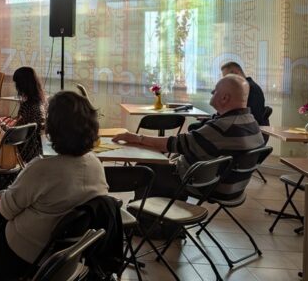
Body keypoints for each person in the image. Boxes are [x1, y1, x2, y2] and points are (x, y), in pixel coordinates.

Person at [0, 91, 109, 280]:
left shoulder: (42, 169)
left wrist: (3, 198)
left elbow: (7, 210)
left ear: (53, 128)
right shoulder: (95, 166)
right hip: (67, 257)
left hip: (25, 255)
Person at [113, 74, 266, 201]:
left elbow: (174, 144)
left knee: (146, 168)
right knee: (164, 165)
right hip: (233, 189)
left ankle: (147, 221)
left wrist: (136, 138)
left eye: (215, 90)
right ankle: (164, 221)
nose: (212, 92)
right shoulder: (251, 122)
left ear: (225, 98)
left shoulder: (223, 127)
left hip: (207, 185)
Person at [0, 66, 46, 163]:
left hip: (22, 150)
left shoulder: (27, 106)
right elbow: (26, 126)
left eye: (16, 84)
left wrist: (1, 124)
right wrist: (14, 122)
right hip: (35, 149)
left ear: (22, 85)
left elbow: (15, 136)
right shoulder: (40, 103)